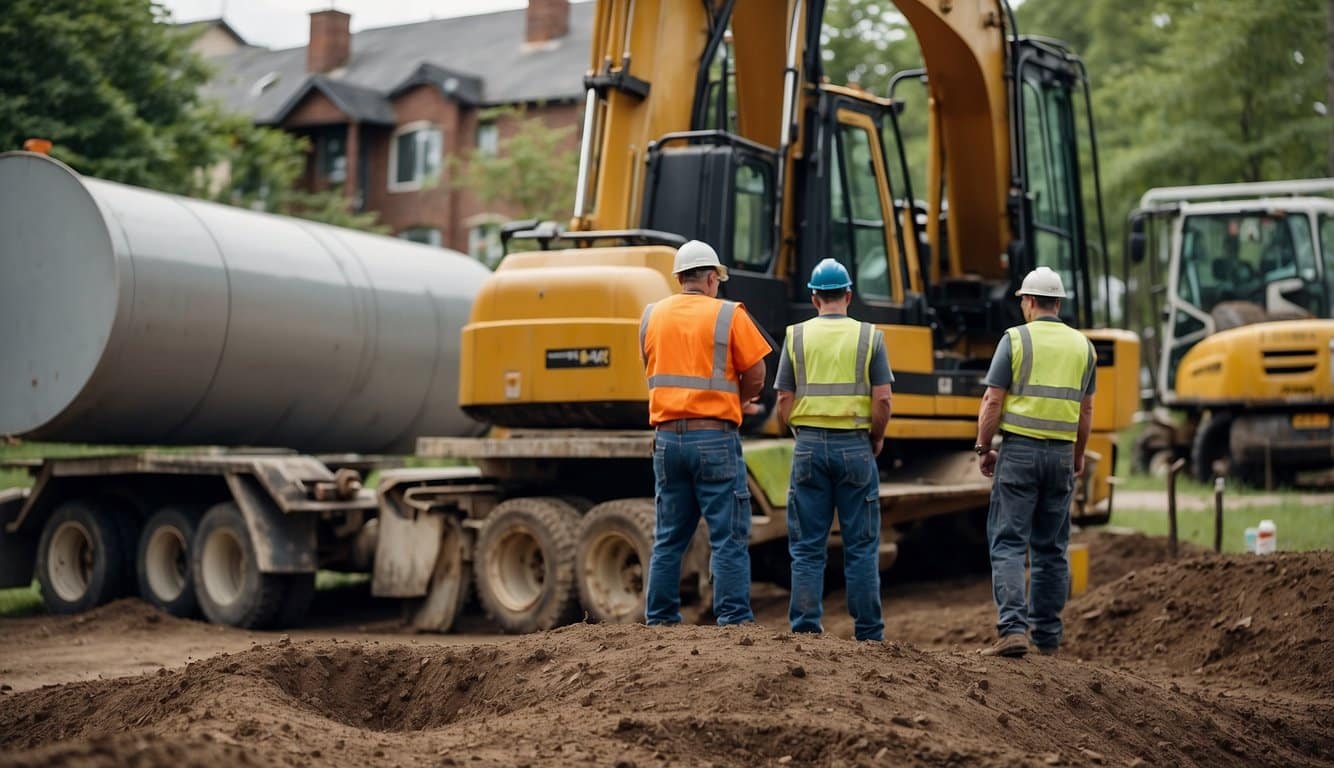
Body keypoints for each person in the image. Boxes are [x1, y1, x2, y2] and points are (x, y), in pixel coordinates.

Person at [640, 240, 772, 626]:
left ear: (680, 278)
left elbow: (652, 366)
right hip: (714, 437)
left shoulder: (651, 316)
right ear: (712, 278)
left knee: (669, 536)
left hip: (666, 439)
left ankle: (660, 620)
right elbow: (758, 373)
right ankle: (733, 621)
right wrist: (741, 401)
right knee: (727, 535)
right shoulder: (730, 315)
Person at [974, 266, 1096, 657]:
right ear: (1058, 303)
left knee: (1009, 543)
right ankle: (1047, 638)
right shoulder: (1083, 347)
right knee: (1052, 548)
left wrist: (983, 447)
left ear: (1028, 302)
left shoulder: (1014, 340)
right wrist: (1077, 455)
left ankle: (1012, 630)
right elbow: (1087, 410)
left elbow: (993, 400)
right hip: (1061, 455)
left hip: (1020, 453)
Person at [774, 258, 893, 642]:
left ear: (813, 297)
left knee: (808, 547)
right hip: (855, 446)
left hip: (809, 446)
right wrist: (875, 436)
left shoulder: (795, 337)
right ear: (849, 295)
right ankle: (869, 634)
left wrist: (801, 433)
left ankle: (806, 629)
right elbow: (883, 400)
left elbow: (784, 399)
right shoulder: (870, 337)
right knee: (860, 546)